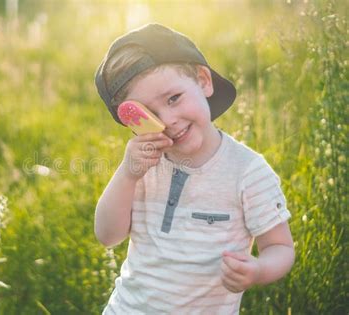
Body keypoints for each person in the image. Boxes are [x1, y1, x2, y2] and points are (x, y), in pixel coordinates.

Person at [94, 23, 295, 314]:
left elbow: (281, 248)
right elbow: (107, 235)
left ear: (203, 81)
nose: (168, 121)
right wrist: (127, 174)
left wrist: (259, 269)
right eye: (149, 115)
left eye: (173, 99)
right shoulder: (144, 166)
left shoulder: (248, 172)